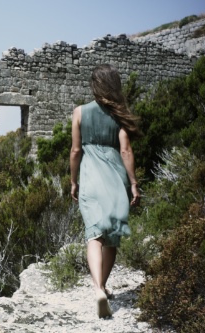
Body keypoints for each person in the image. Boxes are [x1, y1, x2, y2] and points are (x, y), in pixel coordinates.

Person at [70, 64, 141, 318]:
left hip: (90, 176)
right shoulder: (120, 115)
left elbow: (76, 151)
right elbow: (126, 151)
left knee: (94, 235)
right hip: (115, 179)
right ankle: (102, 286)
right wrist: (133, 183)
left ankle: (98, 289)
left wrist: (73, 181)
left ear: (94, 86)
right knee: (112, 238)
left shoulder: (79, 112)